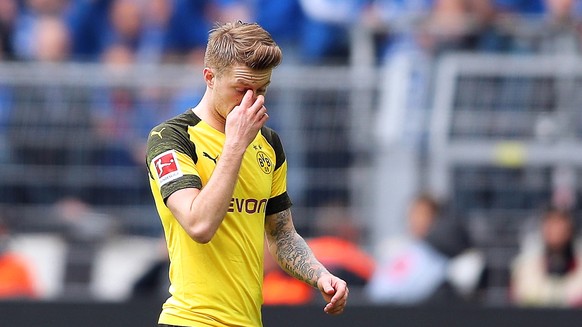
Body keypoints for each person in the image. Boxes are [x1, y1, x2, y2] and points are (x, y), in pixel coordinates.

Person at [145, 21, 348, 326]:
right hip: (190, 319)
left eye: (261, 90)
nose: (250, 101)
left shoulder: (268, 144)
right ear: (209, 77)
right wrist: (235, 145)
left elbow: (281, 235)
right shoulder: (171, 138)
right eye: (241, 90)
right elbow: (198, 225)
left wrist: (320, 275)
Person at [511, 206, 582, 307]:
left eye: (560, 223)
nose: (556, 230)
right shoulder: (526, 264)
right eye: (551, 224)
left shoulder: (579, 262)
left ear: (570, 229)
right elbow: (522, 295)